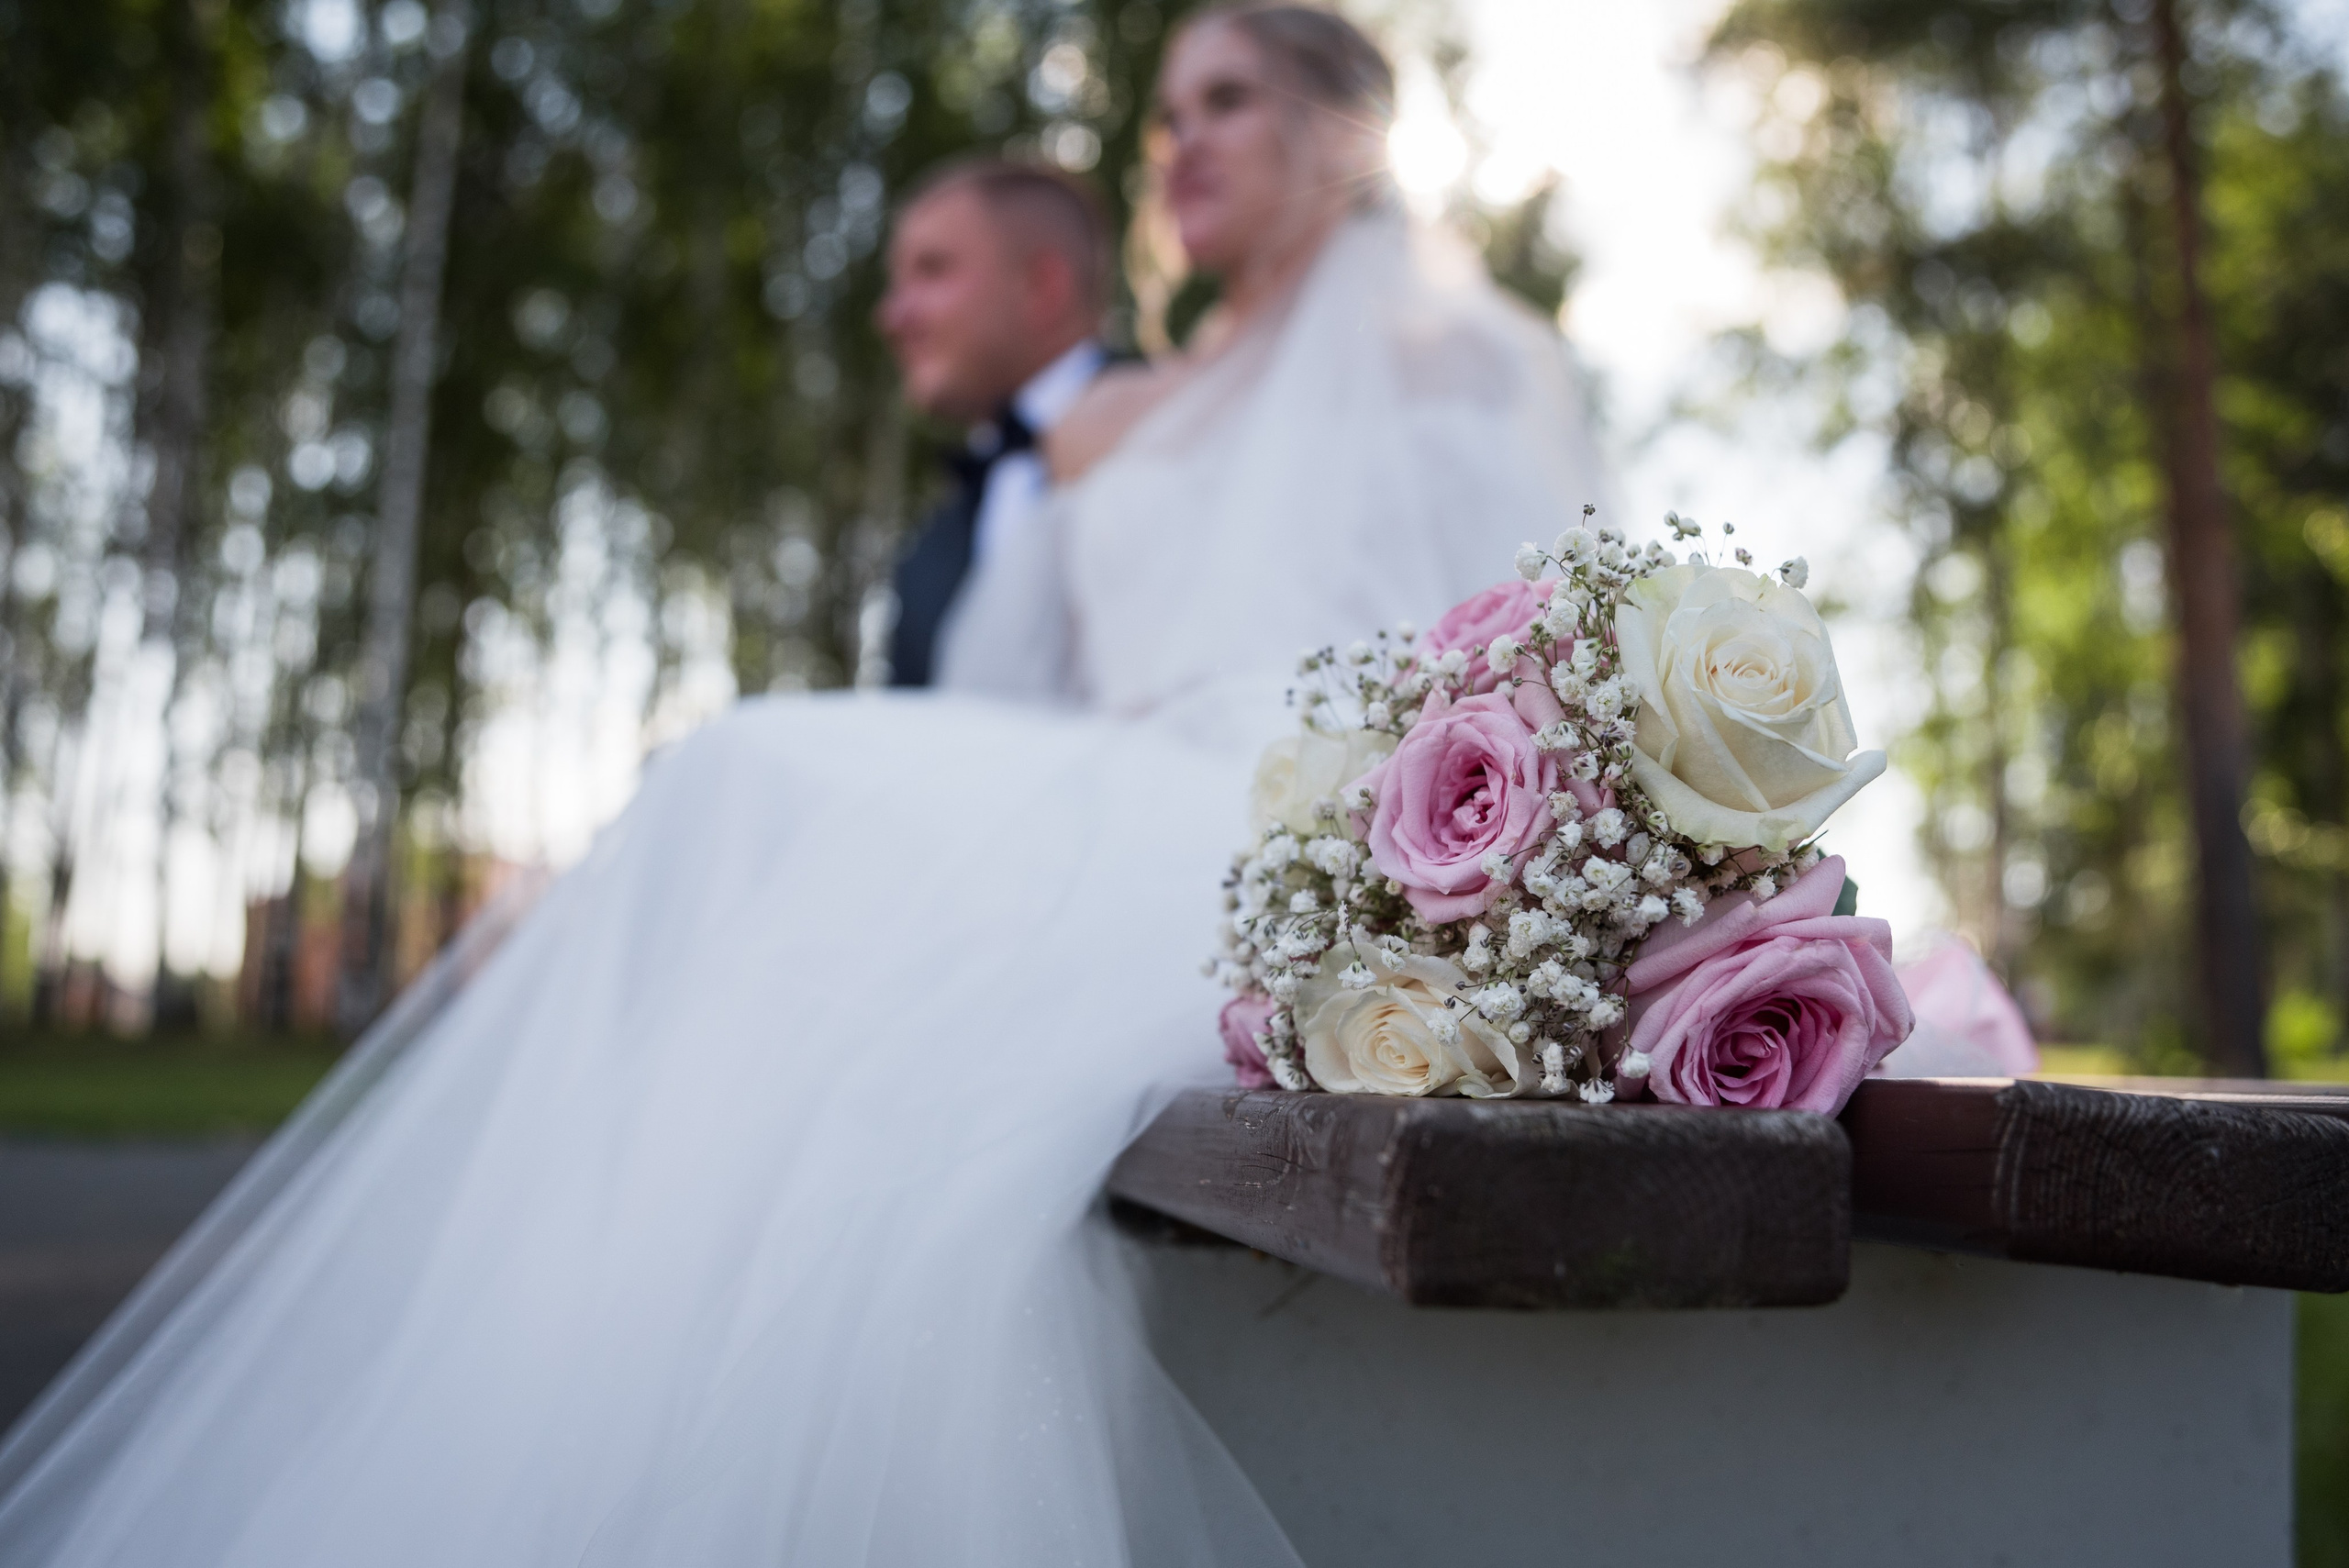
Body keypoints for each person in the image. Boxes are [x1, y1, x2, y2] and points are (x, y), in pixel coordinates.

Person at [0, 6, 1603, 1563]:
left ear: (1338, 126)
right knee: (746, 793)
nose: (1180, 140)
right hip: (1113, 773)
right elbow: (1025, 680)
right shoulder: (1111, 419)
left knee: (758, 775)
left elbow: (1504, 645)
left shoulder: (1456, 357)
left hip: (1300, 806)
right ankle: (597, 1395)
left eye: (1229, 99)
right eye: (1168, 109)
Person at [878, 161, 1119, 691]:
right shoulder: (927, 551)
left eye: (932, 271)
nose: (893, 317)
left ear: (1042, 287)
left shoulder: (1191, 435)